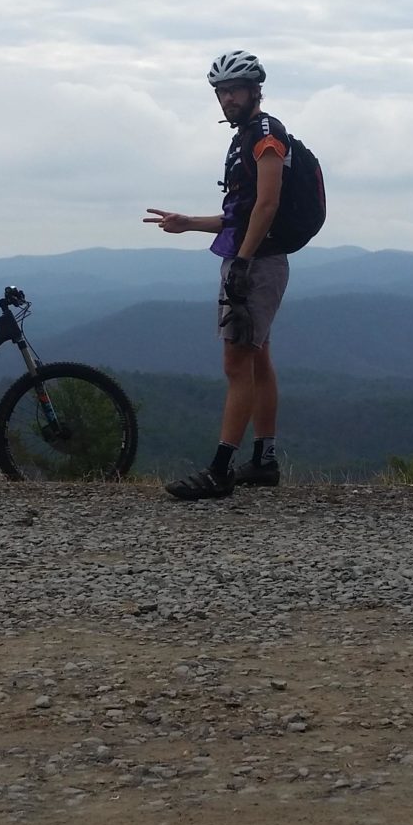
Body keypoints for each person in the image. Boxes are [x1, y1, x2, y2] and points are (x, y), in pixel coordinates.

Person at [143, 50, 303, 499]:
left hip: (256, 263)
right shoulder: (247, 137)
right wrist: (189, 222)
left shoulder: (266, 137)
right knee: (258, 359)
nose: (227, 98)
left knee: (236, 364)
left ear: (255, 90)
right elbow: (244, 213)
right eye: (221, 92)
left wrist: (243, 263)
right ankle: (264, 460)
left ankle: (218, 471)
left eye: (234, 89)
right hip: (254, 258)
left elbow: (268, 205)